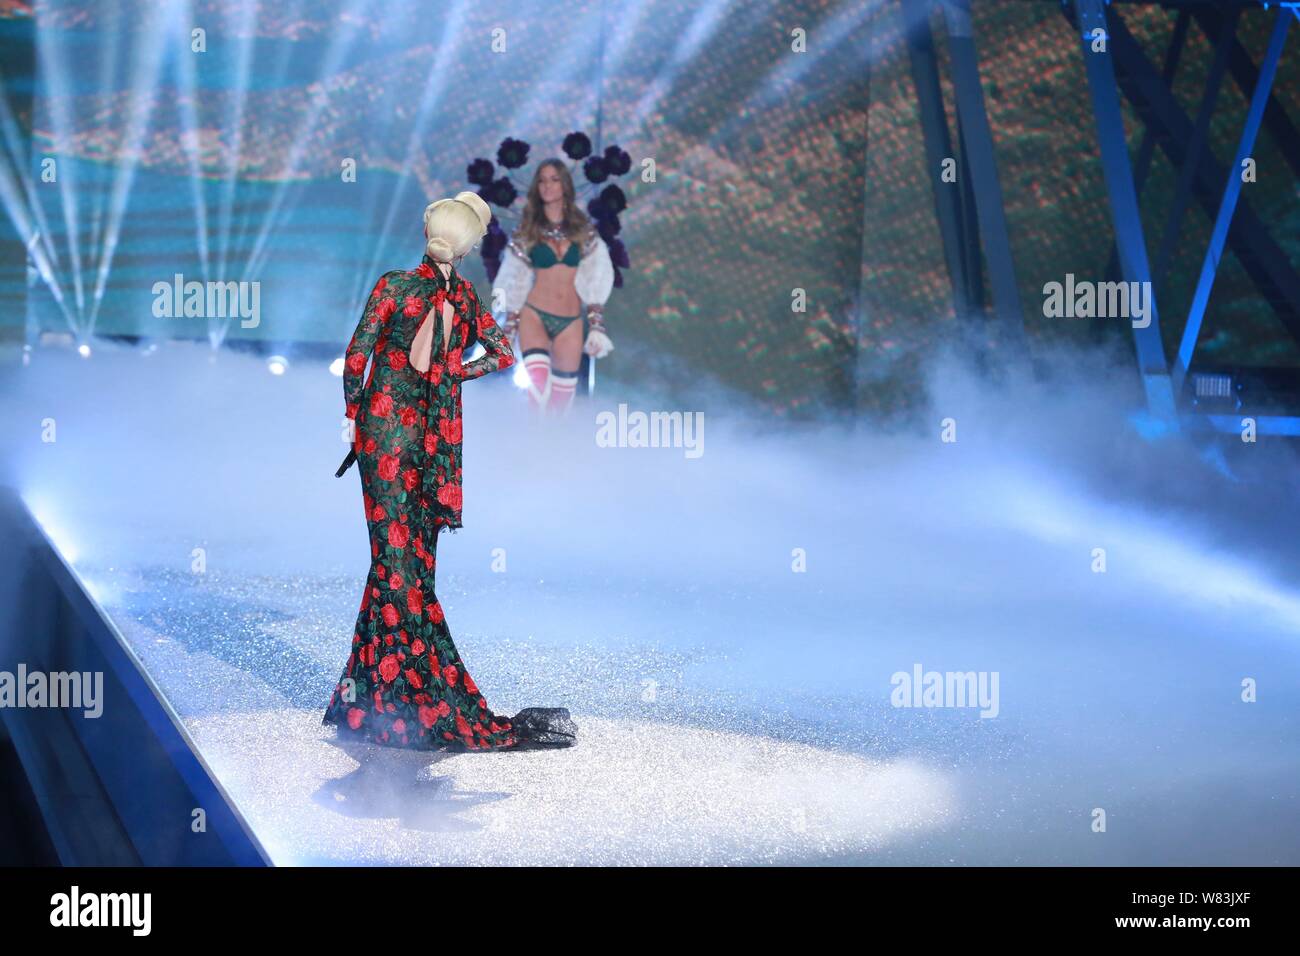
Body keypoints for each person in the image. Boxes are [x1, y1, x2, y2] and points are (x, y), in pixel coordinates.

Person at [323, 191, 576, 751]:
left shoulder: (395, 285)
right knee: (412, 565)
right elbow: (502, 354)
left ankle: (389, 704)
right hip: (435, 441)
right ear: (466, 249)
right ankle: (392, 698)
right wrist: (450, 376)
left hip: (386, 433)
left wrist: (356, 417)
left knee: (392, 562)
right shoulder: (462, 297)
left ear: (429, 233)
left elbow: (356, 358)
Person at [492, 159, 615, 414]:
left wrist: (597, 326)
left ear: (565, 186)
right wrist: (509, 326)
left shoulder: (584, 232)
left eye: (554, 179)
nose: (547, 186)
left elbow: (598, 275)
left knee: (560, 407)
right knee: (538, 392)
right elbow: (512, 277)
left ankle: (549, 452)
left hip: (570, 322)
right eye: (542, 180)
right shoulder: (526, 232)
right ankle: (525, 449)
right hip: (534, 315)